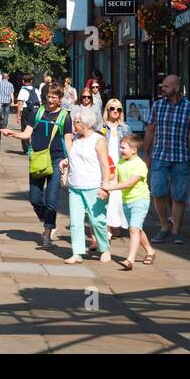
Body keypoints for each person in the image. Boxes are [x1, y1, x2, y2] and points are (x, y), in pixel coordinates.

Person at [1, 86, 71, 248]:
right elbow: (27, 134)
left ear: (60, 98)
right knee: (34, 197)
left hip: (56, 160)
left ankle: (47, 233)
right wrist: (11, 133)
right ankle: (47, 219)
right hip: (38, 159)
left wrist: (70, 161)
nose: (51, 100)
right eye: (49, 96)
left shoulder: (65, 117)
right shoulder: (37, 113)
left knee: (52, 200)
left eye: (54, 97)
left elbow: (68, 141)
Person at [142, 74, 190, 245]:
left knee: (178, 196)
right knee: (158, 192)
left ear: (176, 87)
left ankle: (176, 230)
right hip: (160, 156)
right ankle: (164, 226)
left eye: (166, 86)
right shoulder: (158, 106)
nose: (163, 88)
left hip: (181, 157)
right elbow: (150, 130)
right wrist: (146, 153)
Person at [59, 106, 112, 264]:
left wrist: (105, 186)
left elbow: (105, 165)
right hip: (75, 187)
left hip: (93, 186)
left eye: (76, 122)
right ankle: (77, 253)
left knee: (97, 221)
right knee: (75, 222)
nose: (73, 125)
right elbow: (76, 158)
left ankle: (105, 248)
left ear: (86, 124)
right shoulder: (76, 139)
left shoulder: (98, 140)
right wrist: (66, 161)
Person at [102, 133, 154, 269]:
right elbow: (116, 180)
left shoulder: (140, 165)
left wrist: (110, 187)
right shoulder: (120, 162)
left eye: (123, 148)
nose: (120, 150)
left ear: (134, 150)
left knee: (133, 228)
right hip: (126, 201)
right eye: (120, 147)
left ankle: (130, 260)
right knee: (136, 228)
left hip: (140, 200)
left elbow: (128, 184)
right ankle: (150, 251)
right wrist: (106, 190)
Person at [102, 98, 130, 236]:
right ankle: (107, 226)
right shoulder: (101, 127)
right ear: (107, 110)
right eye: (112, 108)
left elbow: (131, 147)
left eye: (118, 109)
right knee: (107, 195)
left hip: (120, 164)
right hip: (106, 164)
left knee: (117, 197)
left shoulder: (125, 128)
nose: (115, 111)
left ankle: (115, 224)